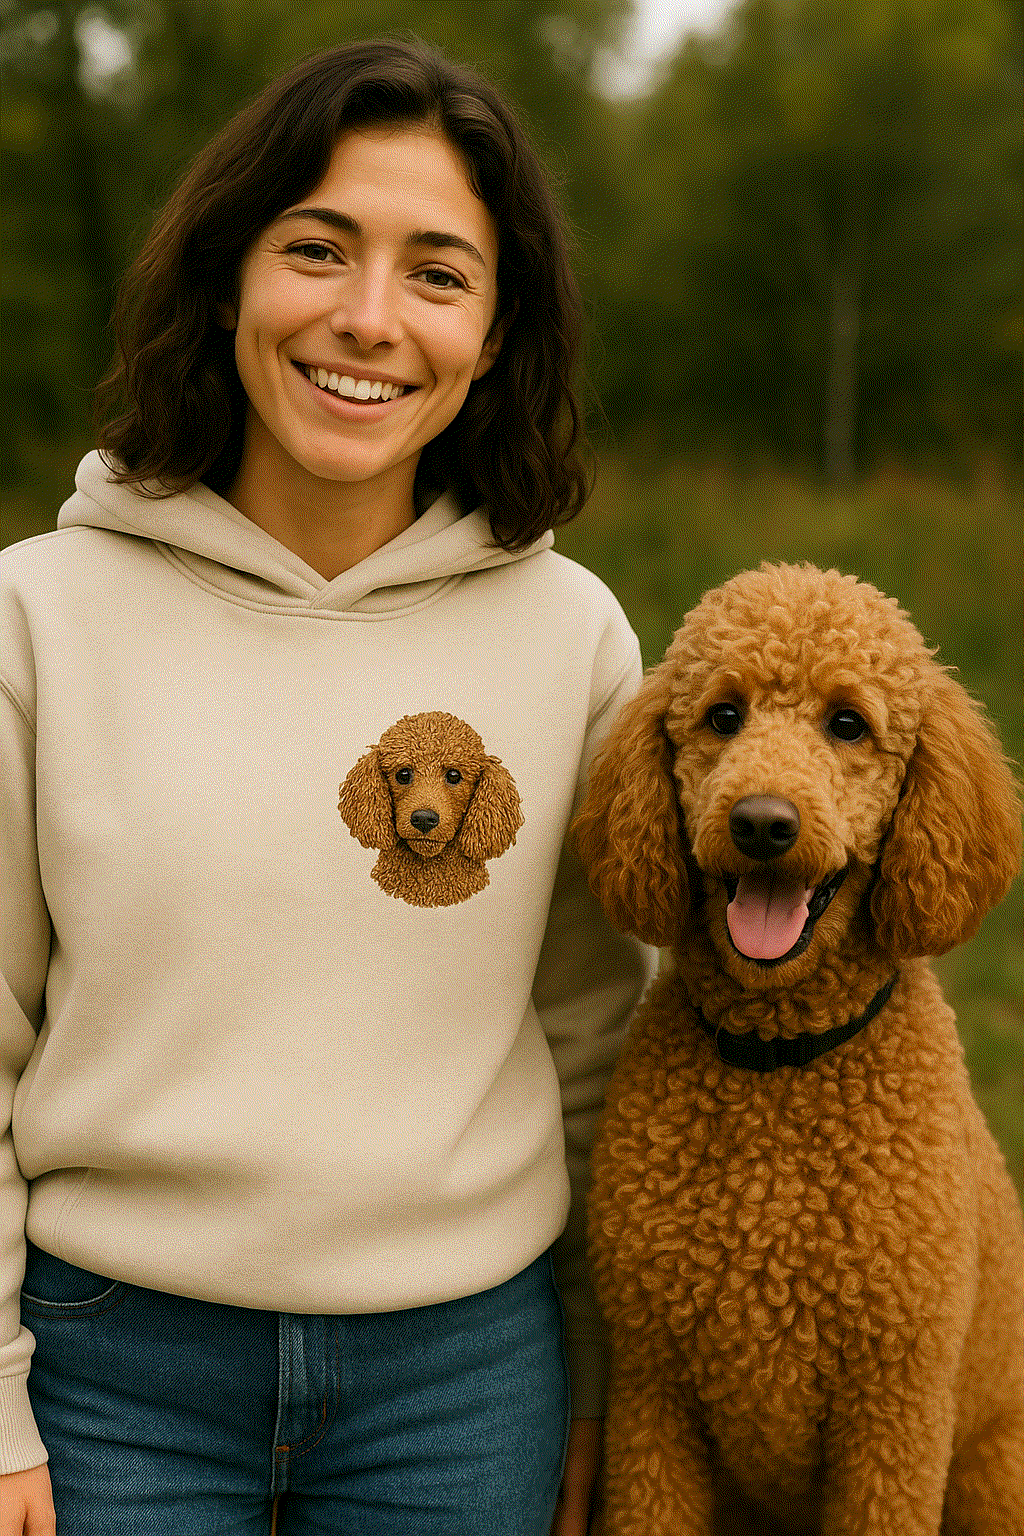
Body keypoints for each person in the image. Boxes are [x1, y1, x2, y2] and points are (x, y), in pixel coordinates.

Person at [0, 37, 654, 1536]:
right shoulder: (36, 618)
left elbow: (599, 1045)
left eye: (439, 273)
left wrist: (607, 1379)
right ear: (230, 277)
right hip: (111, 1376)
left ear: (493, 336)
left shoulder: (573, 639)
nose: (369, 318)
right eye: (317, 249)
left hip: (468, 1382)